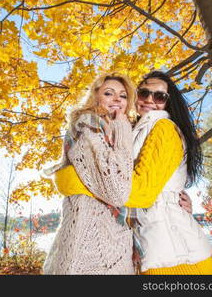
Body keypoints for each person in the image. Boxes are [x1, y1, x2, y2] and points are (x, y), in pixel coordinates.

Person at [54, 71, 212, 275]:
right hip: (152, 249)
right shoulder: (132, 130)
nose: (150, 99)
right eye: (144, 93)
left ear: (168, 102)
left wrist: (74, 180)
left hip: (176, 257)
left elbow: (140, 193)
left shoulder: (164, 128)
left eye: (159, 96)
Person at [42, 72, 138, 274]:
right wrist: (123, 129)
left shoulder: (110, 129)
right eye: (109, 93)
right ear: (95, 96)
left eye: (122, 95)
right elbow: (117, 192)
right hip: (90, 244)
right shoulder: (89, 126)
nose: (117, 100)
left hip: (110, 241)